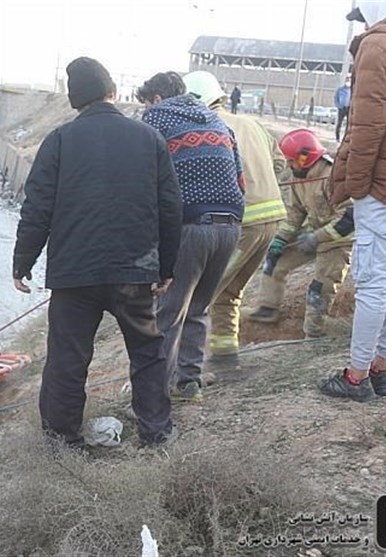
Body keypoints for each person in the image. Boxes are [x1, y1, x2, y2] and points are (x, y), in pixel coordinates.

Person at [13, 56, 183, 449]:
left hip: (74, 274)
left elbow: (36, 207)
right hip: (134, 269)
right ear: (114, 92)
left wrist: (23, 262)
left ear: (76, 102)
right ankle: (156, 432)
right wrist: (165, 266)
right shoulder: (148, 138)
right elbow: (170, 207)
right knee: (147, 352)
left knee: (67, 360)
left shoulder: (58, 141)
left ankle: (61, 441)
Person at [136, 71, 244, 402]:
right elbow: (240, 181)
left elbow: (144, 181)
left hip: (191, 227)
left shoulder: (156, 118)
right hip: (230, 226)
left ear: (156, 98)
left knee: (168, 312)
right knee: (199, 307)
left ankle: (155, 397)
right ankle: (189, 383)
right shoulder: (217, 120)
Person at [319, 1, 386, 402]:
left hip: (383, 187)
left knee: (372, 282)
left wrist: (355, 185)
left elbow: (367, 128)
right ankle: (382, 370)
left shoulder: (379, 45)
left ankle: (356, 377)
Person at [182, 70, 287, 359]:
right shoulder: (252, 124)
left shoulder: (207, 128)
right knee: (229, 294)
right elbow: (279, 163)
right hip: (272, 218)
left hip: (242, 223)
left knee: (198, 297)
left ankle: (181, 370)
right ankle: (226, 359)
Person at [245, 129, 354, 338]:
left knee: (318, 289)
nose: (288, 165)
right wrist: (280, 239)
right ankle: (267, 308)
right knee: (274, 260)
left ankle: (313, 335)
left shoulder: (334, 176)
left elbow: (348, 218)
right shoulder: (299, 177)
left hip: (337, 241)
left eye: (291, 161)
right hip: (313, 233)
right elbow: (295, 213)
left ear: (305, 157)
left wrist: (317, 238)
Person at [333, 77, 351, 142]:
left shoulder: (352, 90)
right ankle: (337, 138)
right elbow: (336, 99)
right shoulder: (340, 90)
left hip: (349, 108)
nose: (348, 82)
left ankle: (346, 138)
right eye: (347, 80)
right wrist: (339, 106)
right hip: (342, 108)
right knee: (339, 123)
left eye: (349, 80)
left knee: (349, 124)